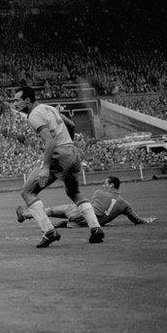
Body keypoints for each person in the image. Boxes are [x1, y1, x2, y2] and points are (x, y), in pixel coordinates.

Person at [12, 86, 104, 247]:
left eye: (17, 100)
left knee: (28, 192)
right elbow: (71, 124)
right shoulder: (49, 108)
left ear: (27, 100)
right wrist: (69, 144)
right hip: (72, 152)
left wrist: (46, 167)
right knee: (74, 193)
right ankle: (96, 229)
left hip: (59, 155)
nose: (14, 103)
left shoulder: (34, 115)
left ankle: (49, 232)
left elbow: (50, 141)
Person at [16, 176, 156, 228]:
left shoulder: (99, 193)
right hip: (93, 223)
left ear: (112, 185)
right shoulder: (124, 204)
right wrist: (147, 220)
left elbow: (87, 208)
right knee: (70, 218)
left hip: (84, 217)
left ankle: (25, 215)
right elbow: (136, 220)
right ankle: (67, 223)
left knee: (54, 210)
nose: (103, 185)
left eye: (105, 183)